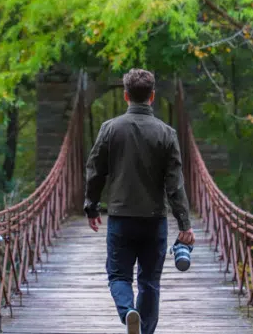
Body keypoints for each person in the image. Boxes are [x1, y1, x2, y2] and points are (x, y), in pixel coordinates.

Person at [84, 68, 196, 334]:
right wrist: (185, 223)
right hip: (154, 220)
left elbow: (95, 171)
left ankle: (128, 311)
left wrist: (91, 207)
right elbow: (175, 184)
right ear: (153, 96)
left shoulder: (110, 129)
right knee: (149, 282)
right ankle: (144, 330)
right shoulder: (166, 133)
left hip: (121, 218)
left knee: (119, 276)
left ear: (125, 96)